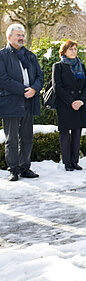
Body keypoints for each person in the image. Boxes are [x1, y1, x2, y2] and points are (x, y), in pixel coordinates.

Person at [0, 24, 44, 181]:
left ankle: (25, 167)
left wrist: (34, 89)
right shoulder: (2, 55)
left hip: (29, 101)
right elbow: (3, 79)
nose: (21, 38)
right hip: (11, 102)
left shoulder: (30, 56)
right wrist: (24, 90)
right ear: (9, 37)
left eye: (22, 35)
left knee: (27, 137)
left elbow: (40, 76)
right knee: (11, 139)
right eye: (18, 35)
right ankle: (13, 169)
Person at [52, 40, 86, 171]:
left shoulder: (81, 66)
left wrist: (81, 101)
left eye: (75, 49)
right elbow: (57, 87)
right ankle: (67, 163)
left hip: (79, 104)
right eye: (70, 49)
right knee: (64, 134)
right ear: (63, 52)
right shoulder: (58, 66)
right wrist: (71, 102)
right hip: (65, 105)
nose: (73, 51)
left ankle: (75, 161)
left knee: (77, 133)